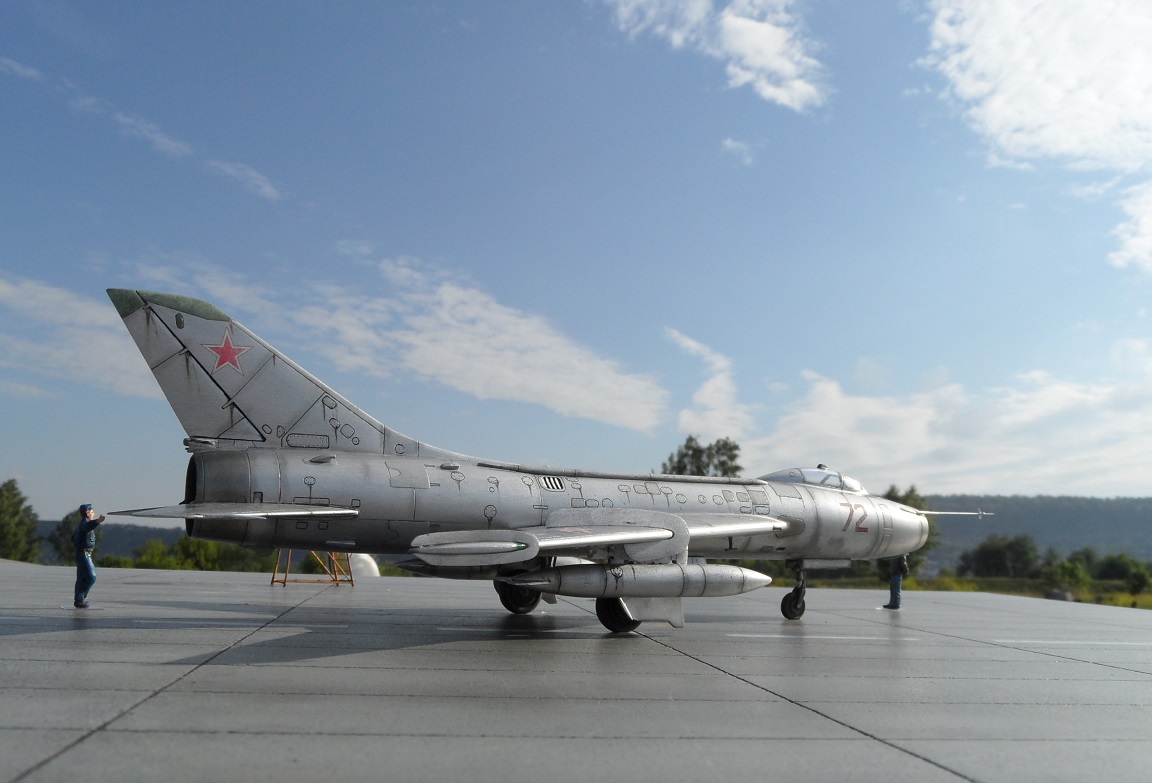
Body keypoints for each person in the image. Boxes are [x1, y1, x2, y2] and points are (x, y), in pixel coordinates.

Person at [73, 504, 105, 608]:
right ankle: (82, 595)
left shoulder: (82, 525)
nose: (93, 513)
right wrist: (97, 522)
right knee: (91, 577)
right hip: (84, 553)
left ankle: (79, 600)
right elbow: (87, 527)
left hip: (85, 553)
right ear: (87, 513)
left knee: (81, 578)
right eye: (92, 512)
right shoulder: (84, 524)